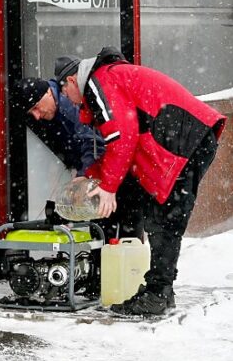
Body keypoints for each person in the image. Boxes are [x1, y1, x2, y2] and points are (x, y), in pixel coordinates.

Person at [56, 46, 227, 315]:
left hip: (182, 137)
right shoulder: (109, 78)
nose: (69, 100)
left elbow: (121, 136)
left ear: (70, 80)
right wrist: (94, 178)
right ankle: (160, 291)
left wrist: (109, 188)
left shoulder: (100, 80)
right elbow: (123, 142)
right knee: (162, 214)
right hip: (185, 137)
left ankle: (157, 294)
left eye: (66, 93)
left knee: (166, 217)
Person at [12, 74, 143, 239]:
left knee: (114, 232)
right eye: (32, 113)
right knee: (105, 231)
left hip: (116, 173)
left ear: (47, 93)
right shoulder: (52, 109)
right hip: (103, 174)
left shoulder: (69, 106)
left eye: (36, 107)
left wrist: (84, 175)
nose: (37, 116)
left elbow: (94, 144)